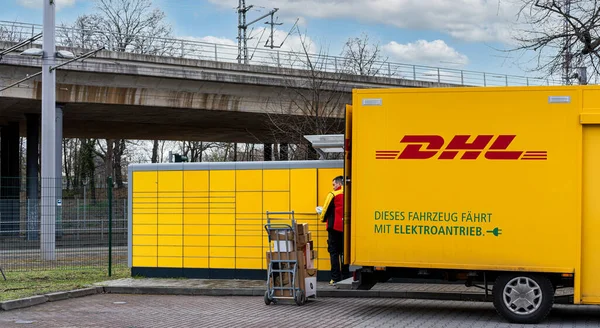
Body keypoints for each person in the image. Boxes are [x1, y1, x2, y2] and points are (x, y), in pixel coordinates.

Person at [317, 176, 345, 285]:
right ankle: (346, 276)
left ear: (339, 184)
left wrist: (322, 218)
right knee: (344, 253)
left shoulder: (333, 194)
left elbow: (325, 210)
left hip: (334, 228)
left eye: (334, 184)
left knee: (334, 253)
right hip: (346, 228)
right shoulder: (350, 193)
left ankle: (335, 278)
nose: (333, 187)